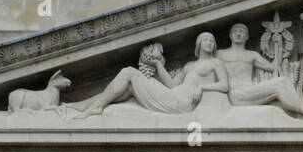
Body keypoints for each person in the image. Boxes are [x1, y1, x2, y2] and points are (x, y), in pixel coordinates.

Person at [72, 32, 229, 118]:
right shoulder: (189, 66)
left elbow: (224, 85)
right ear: (199, 45)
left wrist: (202, 87)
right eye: (205, 40)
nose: (209, 42)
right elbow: (172, 85)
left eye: (212, 40)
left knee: (129, 73)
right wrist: (157, 64)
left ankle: (95, 107)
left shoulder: (216, 63)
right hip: (172, 95)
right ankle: (83, 106)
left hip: (182, 104)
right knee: (127, 88)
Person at [216, 22, 303, 116]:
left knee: (283, 81)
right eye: (235, 31)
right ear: (230, 35)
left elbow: (272, 67)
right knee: (280, 85)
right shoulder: (221, 54)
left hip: (249, 91)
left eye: (241, 31)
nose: (238, 33)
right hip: (235, 93)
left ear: (247, 37)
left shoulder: (252, 55)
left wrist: (279, 44)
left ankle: (301, 108)